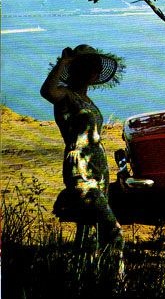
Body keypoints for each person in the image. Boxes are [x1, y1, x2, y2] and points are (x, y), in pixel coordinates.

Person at [41, 44, 124, 268]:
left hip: (99, 170)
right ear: (79, 70)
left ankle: (86, 277)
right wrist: (64, 63)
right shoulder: (65, 96)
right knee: (114, 232)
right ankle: (117, 278)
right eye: (90, 67)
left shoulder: (86, 100)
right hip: (81, 170)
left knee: (90, 232)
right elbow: (47, 91)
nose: (95, 72)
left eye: (96, 68)